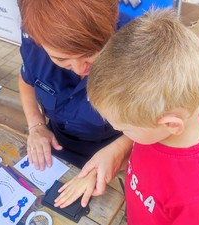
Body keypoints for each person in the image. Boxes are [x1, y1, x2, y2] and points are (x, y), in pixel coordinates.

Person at [55, 9, 199, 225]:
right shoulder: (158, 131)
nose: (123, 135)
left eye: (127, 129)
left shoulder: (195, 193)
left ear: (170, 124)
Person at [17, 0, 133, 194]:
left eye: (89, 53)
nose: (80, 69)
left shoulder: (136, 46)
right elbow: (26, 79)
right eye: (61, 59)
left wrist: (119, 150)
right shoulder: (35, 38)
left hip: (115, 147)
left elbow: (155, 120)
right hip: (57, 140)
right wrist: (36, 126)